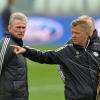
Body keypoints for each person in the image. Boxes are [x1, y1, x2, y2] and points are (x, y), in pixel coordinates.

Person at [11, 18, 100, 100]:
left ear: (86, 33)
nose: (73, 36)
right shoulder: (67, 51)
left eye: (77, 33)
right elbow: (44, 56)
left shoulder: (96, 49)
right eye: (72, 33)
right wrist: (26, 51)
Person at [0, 12, 28, 100]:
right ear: (9, 28)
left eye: (23, 27)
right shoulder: (6, 43)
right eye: (18, 27)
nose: (21, 30)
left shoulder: (18, 44)